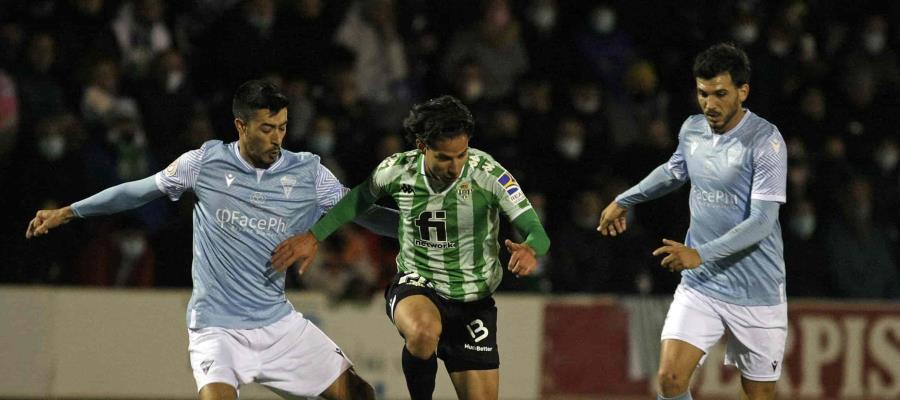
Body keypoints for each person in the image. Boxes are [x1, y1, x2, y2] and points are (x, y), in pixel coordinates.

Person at [25, 80, 397, 400]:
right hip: (216, 328)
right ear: (241, 125)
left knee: (360, 394)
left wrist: (414, 230)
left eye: (283, 127)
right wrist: (70, 211)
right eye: (267, 128)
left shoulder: (308, 173)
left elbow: (359, 211)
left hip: (278, 324)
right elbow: (139, 191)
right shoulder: (204, 163)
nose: (277, 139)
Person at [271, 95, 551, 399]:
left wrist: (530, 248)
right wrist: (314, 236)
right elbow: (355, 202)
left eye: (461, 155)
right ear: (422, 146)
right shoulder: (396, 170)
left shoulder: (489, 173)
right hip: (418, 282)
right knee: (422, 332)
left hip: (474, 300)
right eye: (444, 157)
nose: (455, 166)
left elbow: (537, 231)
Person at [597, 43, 788, 400]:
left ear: (742, 92)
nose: (710, 104)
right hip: (702, 285)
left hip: (756, 290)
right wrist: (624, 199)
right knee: (670, 380)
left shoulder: (766, 141)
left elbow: (763, 221)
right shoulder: (692, 130)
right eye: (703, 94)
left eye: (720, 94)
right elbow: (673, 172)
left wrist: (700, 252)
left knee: (759, 395)